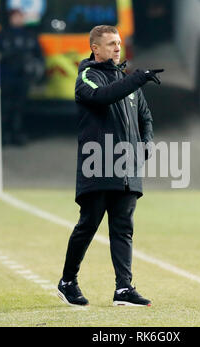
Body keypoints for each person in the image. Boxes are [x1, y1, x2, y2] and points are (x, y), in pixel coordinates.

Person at [57, 25, 164, 307]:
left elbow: (146, 117)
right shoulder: (87, 78)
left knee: (123, 228)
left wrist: (146, 142)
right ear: (95, 48)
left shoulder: (128, 82)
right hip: (98, 165)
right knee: (89, 224)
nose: (118, 48)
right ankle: (68, 281)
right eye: (111, 44)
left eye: (119, 43)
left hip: (127, 168)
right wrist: (137, 80)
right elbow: (104, 96)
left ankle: (124, 289)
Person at [0, 9, 44, 146]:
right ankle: (4, 135)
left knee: (20, 108)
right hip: (6, 77)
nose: (17, 19)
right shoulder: (3, 34)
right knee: (5, 108)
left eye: (20, 17)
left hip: (22, 77)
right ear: (10, 18)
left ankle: (17, 134)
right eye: (15, 17)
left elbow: (39, 55)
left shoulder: (30, 35)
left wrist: (37, 72)